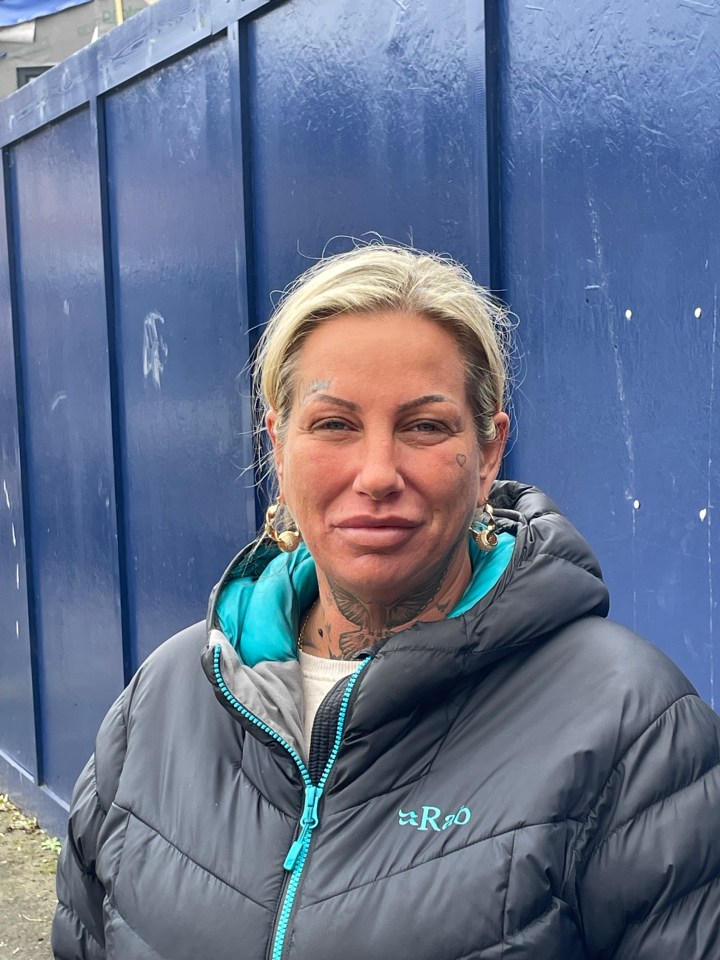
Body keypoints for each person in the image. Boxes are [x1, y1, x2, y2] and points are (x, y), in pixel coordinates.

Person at [53, 244, 720, 960]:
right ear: (278, 446)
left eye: (425, 426)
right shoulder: (165, 699)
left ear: (489, 450)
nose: (376, 475)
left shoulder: (633, 730)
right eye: (334, 424)